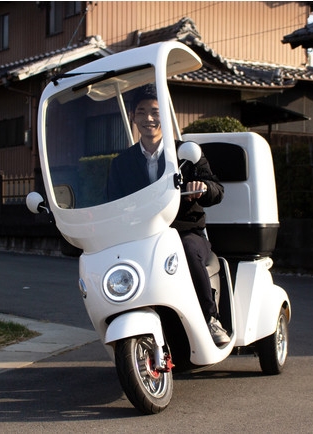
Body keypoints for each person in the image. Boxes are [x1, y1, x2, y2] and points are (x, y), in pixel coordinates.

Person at [107, 84, 230, 346]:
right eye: (142, 112)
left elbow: (217, 190)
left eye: (155, 111)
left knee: (186, 249)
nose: (149, 118)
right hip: (141, 236)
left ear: (164, 114)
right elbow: (111, 202)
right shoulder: (121, 163)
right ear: (133, 116)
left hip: (186, 231)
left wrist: (203, 188)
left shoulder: (187, 153)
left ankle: (210, 319)